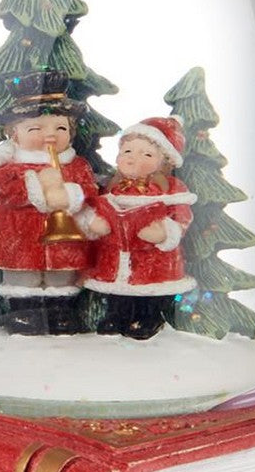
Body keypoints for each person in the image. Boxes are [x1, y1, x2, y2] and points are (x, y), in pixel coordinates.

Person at [0, 71, 98, 335]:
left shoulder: (76, 165)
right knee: (24, 276)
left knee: (61, 274)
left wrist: (70, 195)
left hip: (64, 238)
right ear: (14, 134)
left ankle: (60, 313)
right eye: (36, 129)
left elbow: (90, 191)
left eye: (60, 128)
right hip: (19, 235)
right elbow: (5, 194)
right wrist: (37, 183)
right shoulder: (8, 167)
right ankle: (24, 313)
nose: (50, 136)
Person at [79, 117, 196, 339]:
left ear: (164, 162)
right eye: (128, 151)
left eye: (147, 155)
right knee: (117, 291)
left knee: (149, 290)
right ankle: (117, 316)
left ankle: (148, 318)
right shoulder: (112, 187)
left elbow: (181, 215)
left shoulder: (171, 189)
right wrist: (94, 224)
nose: (133, 159)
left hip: (153, 258)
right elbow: (97, 208)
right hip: (114, 254)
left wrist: (165, 232)